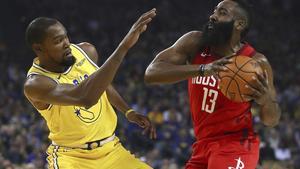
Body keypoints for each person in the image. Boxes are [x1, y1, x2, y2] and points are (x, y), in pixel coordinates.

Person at [144, 0, 281, 168]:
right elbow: (151, 74)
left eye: (222, 13)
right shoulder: (195, 42)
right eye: (214, 11)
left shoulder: (255, 62)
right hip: (202, 145)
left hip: (236, 145)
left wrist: (266, 101)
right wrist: (202, 69)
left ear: (239, 24)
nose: (213, 16)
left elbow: (271, 120)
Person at [23, 9, 157, 169]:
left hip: (112, 150)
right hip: (73, 158)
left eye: (66, 36)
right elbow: (86, 97)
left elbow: (101, 83)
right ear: (39, 48)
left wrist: (128, 111)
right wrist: (123, 47)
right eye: (58, 41)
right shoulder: (36, 84)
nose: (66, 43)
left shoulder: (85, 51)